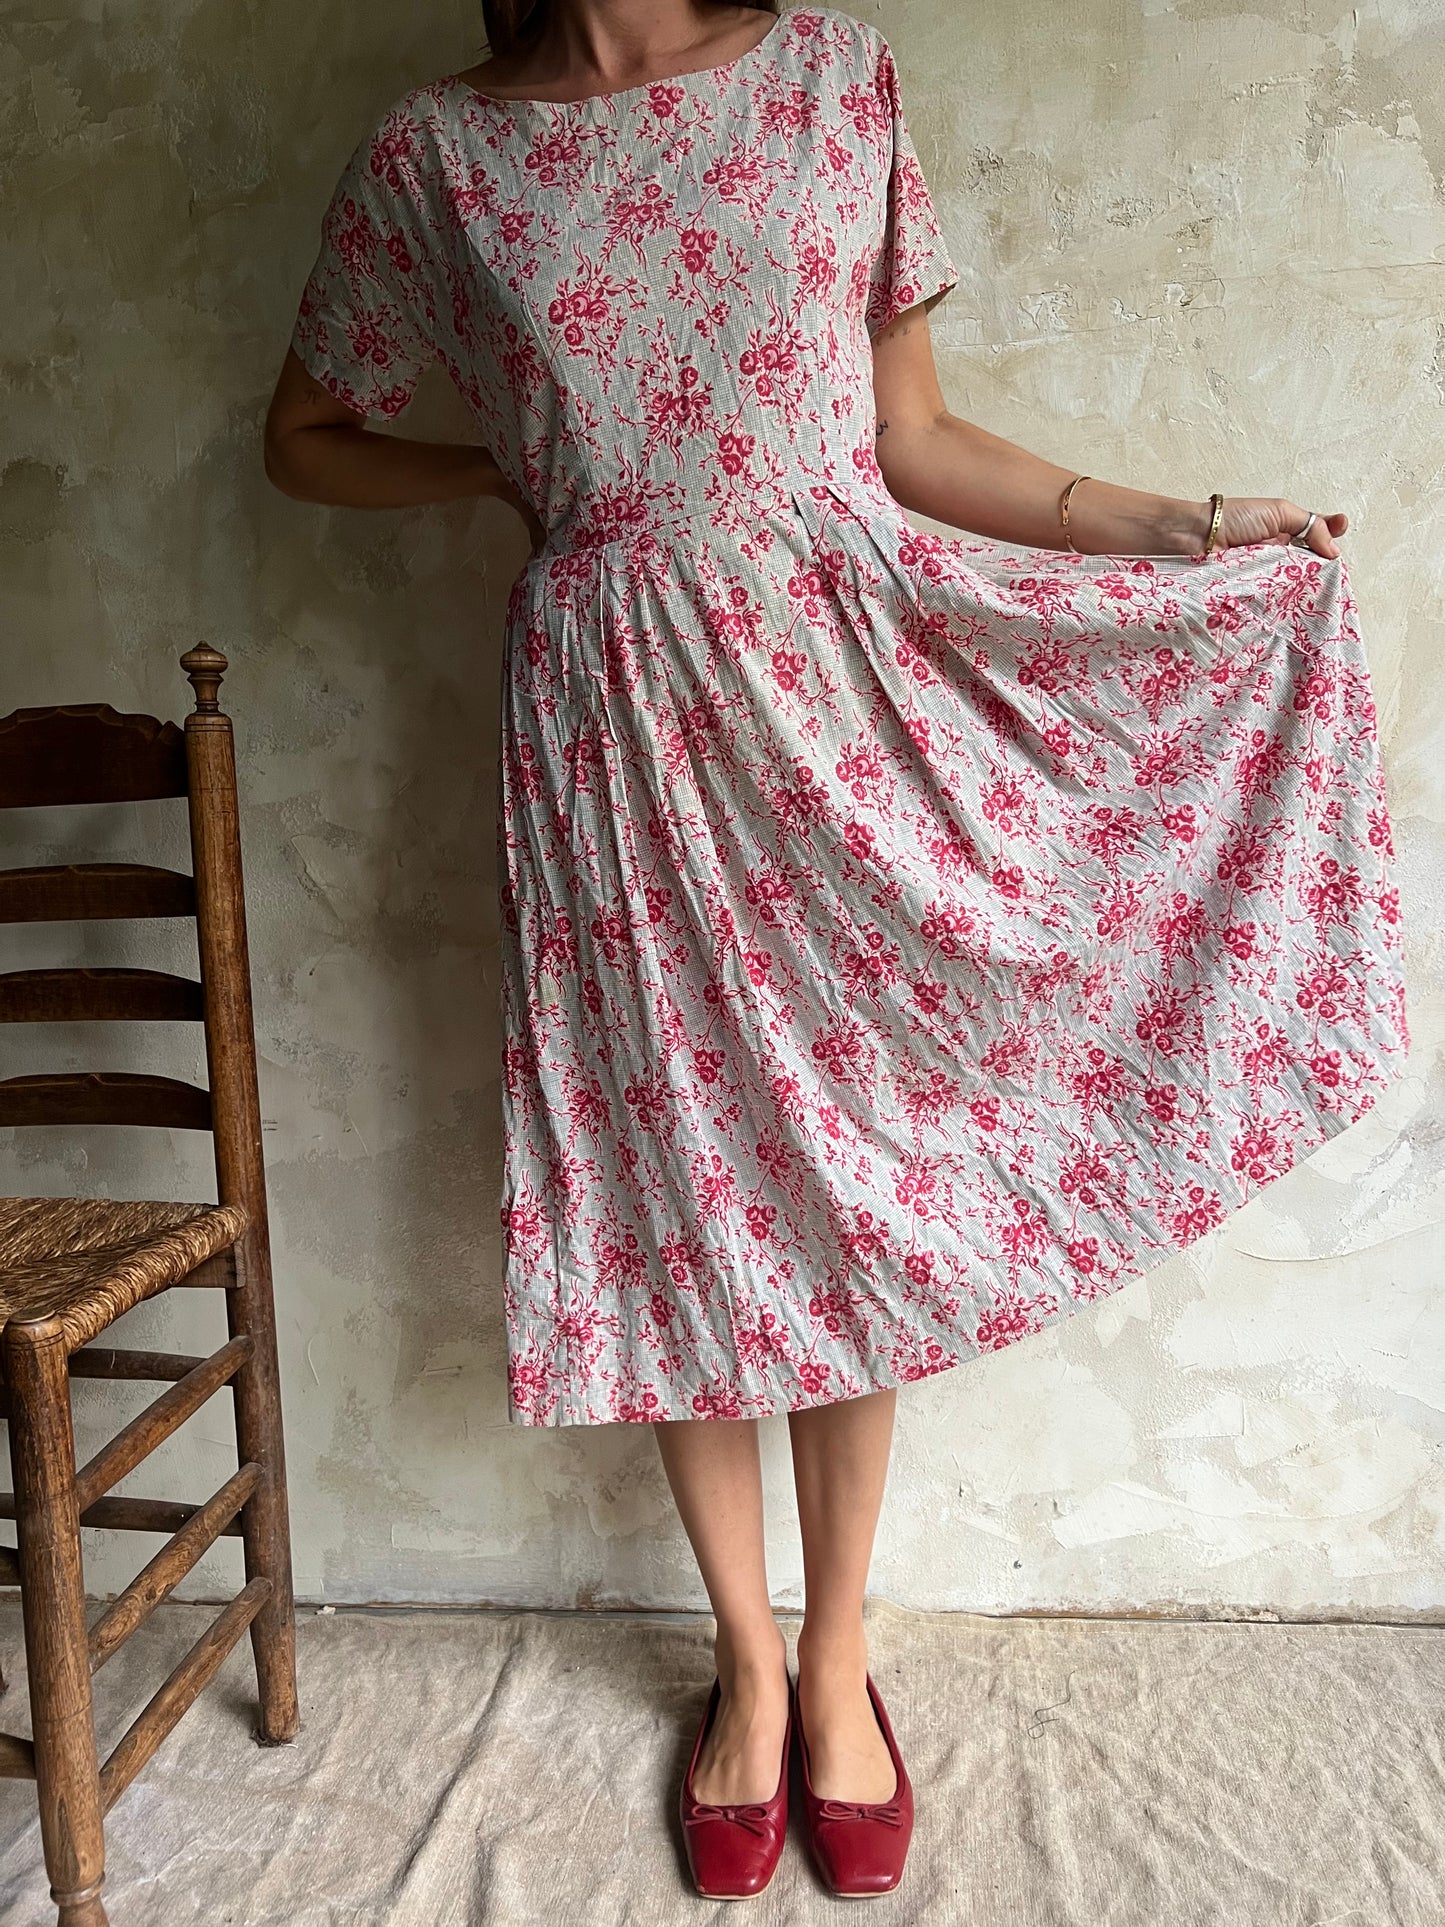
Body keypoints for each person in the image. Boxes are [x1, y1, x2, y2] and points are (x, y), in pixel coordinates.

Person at [265, 0, 1410, 1901]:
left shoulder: (827, 73)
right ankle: (742, 1664)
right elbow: (304, 439)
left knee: (844, 1190)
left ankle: (843, 1654)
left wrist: (1187, 527)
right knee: (679, 1191)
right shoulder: (436, 157)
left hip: (843, 704)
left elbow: (915, 440)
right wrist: (498, 476)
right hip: (615, 728)